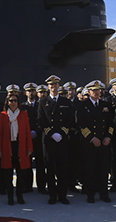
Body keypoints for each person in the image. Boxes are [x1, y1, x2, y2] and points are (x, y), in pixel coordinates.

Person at [37, 75, 75, 205]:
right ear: (48, 87)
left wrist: (62, 132)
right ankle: (52, 195)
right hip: (49, 140)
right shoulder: (43, 102)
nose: (53, 87)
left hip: (62, 139)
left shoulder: (66, 102)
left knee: (62, 168)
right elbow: (40, 120)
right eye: (51, 85)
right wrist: (51, 133)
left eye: (55, 85)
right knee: (50, 168)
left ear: (59, 86)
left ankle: (62, 195)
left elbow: (70, 120)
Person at [77, 80, 115, 203]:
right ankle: (91, 194)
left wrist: (108, 136)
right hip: (90, 143)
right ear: (89, 92)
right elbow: (81, 125)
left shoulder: (106, 105)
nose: (97, 92)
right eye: (94, 90)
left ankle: (104, 193)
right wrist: (92, 138)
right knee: (90, 169)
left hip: (104, 142)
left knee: (103, 169)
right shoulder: (83, 105)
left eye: (98, 90)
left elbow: (111, 124)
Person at [0, 86, 33, 205]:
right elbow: (1, 134)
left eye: (15, 101)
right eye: (11, 101)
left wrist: (29, 148)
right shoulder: (3, 115)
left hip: (20, 146)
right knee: (8, 174)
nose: (13, 103)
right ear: (7, 102)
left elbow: (27, 132)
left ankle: (20, 195)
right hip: (8, 146)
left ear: (18, 102)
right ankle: (10, 196)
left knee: (21, 173)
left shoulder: (23, 114)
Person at [23, 83, 46, 194]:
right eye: (29, 91)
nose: (31, 93)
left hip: (38, 137)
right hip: (27, 137)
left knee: (40, 162)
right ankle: (27, 185)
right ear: (25, 93)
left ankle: (41, 186)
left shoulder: (41, 104)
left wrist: (36, 131)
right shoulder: (22, 106)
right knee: (26, 161)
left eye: (33, 91)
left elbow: (42, 119)